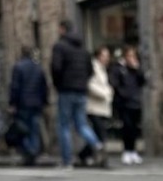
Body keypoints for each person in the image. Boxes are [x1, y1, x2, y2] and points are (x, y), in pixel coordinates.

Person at [51, 19, 102, 168]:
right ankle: (97, 144)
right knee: (81, 124)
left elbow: (56, 68)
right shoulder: (83, 49)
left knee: (64, 125)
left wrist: (58, 84)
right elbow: (90, 71)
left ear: (62, 29)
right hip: (81, 91)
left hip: (66, 90)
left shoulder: (60, 46)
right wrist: (82, 82)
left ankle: (67, 160)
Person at [9, 46, 48, 166]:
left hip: (23, 103)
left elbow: (15, 86)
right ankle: (33, 151)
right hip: (36, 103)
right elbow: (44, 87)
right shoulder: (38, 68)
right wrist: (44, 101)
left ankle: (29, 151)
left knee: (23, 129)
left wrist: (12, 103)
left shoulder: (18, 67)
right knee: (34, 129)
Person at [79, 46, 113, 168]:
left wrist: (109, 92)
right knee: (100, 132)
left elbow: (105, 84)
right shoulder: (93, 67)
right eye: (104, 55)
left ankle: (84, 154)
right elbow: (90, 85)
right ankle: (102, 157)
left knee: (97, 133)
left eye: (107, 56)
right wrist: (105, 94)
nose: (106, 58)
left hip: (102, 106)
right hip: (94, 106)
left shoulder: (102, 69)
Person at [110, 45, 145, 165]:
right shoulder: (119, 68)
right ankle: (126, 150)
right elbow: (115, 83)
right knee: (127, 126)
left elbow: (142, 81)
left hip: (135, 102)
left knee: (134, 128)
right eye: (129, 56)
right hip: (124, 103)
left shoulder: (135, 69)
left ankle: (133, 150)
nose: (131, 58)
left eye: (133, 56)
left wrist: (137, 69)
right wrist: (123, 94)